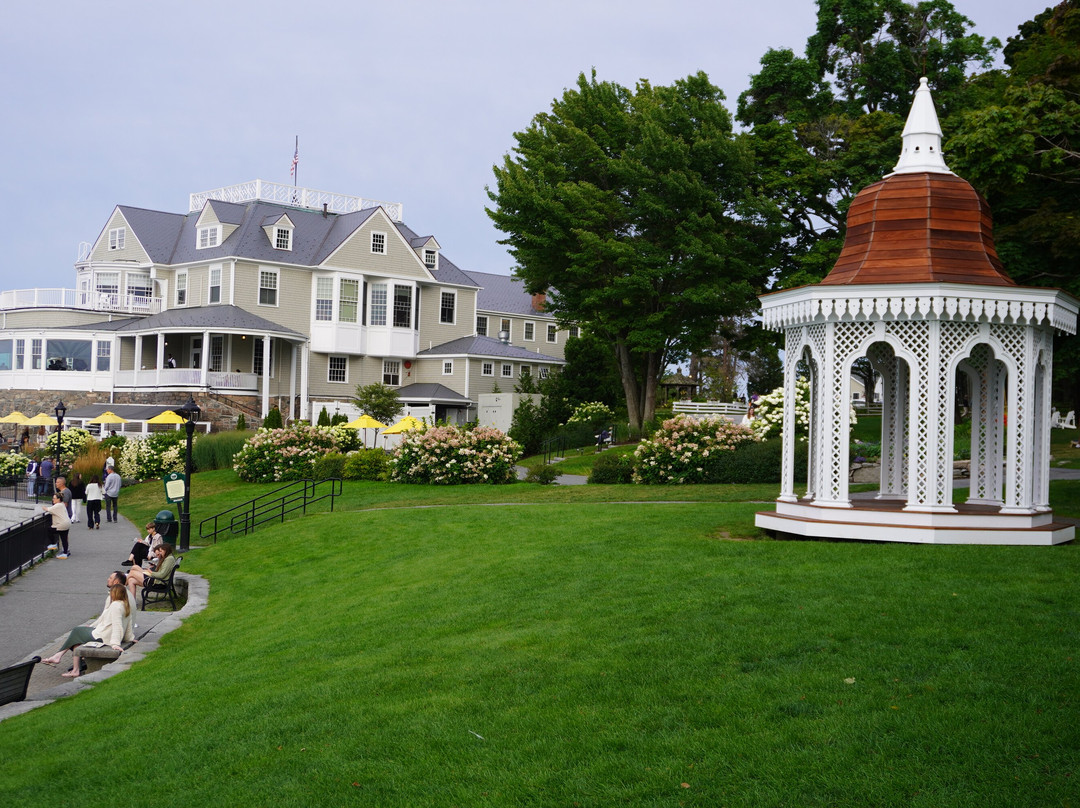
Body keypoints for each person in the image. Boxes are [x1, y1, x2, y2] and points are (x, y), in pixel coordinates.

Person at [41, 572, 135, 674]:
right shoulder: (124, 604)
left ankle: (58, 656)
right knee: (78, 636)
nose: (108, 579)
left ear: (115, 591)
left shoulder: (115, 605)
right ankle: (75, 669)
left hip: (104, 636)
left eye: (110, 578)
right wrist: (130, 638)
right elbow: (128, 624)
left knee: (77, 631)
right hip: (105, 633)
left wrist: (115, 644)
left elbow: (117, 625)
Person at [42, 492, 72, 558]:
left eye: (54, 498)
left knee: (50, 530)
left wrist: (43, 507)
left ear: (58, 499)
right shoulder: (62, 504)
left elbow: (48, 509)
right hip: (67, 523)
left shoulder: (57, 505)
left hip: (61, 524)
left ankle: (53, 544)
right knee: (64, 538)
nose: (53, 500)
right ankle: (65, 553)